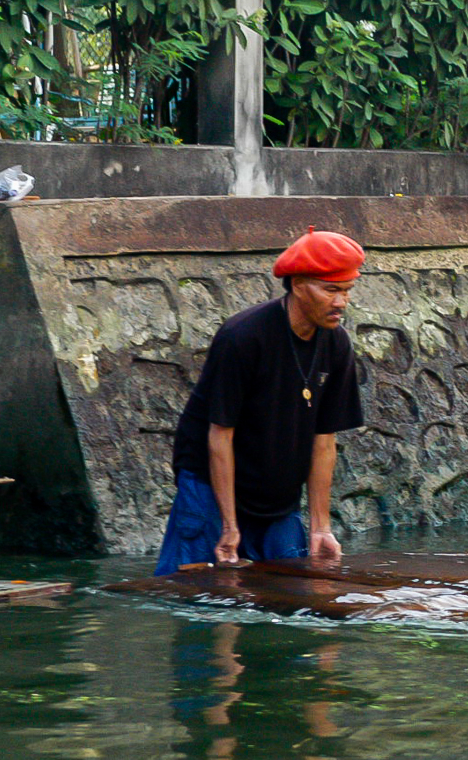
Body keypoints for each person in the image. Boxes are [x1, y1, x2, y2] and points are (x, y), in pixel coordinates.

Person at [154, 227, 365, 576]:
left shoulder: (336, 344)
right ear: (298, 285)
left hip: (278, 495)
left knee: (297, 599)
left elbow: (324, 441)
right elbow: (220, 434)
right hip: (212, 486)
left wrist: (320, 527)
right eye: (330, 290)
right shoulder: (243, 337)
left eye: (346, 291)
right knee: (194, 596)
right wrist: (229, 526)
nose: (341, 303)